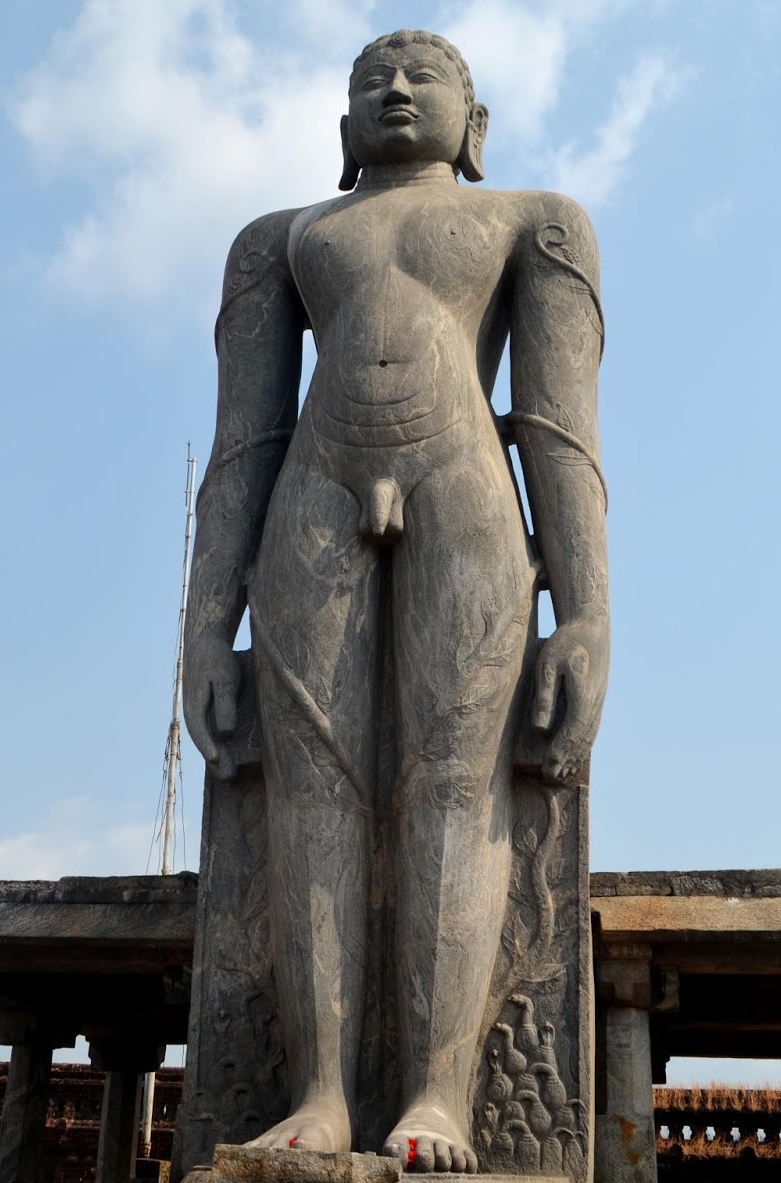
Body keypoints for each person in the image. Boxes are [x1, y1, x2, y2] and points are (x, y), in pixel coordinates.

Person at [183, 29, 608, 1174]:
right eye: (373, 78)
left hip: (467, 485)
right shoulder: (280, 240)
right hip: (310, 491)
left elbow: (559, 429)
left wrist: (586, 615)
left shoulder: (534, 220)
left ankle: (439, 1089)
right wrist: (203, 630)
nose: (398, 87)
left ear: (474, 125)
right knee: (311, 785)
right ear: (340, 127)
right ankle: (319, 1092)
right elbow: (242, 442)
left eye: (427, 77)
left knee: (456, 785)